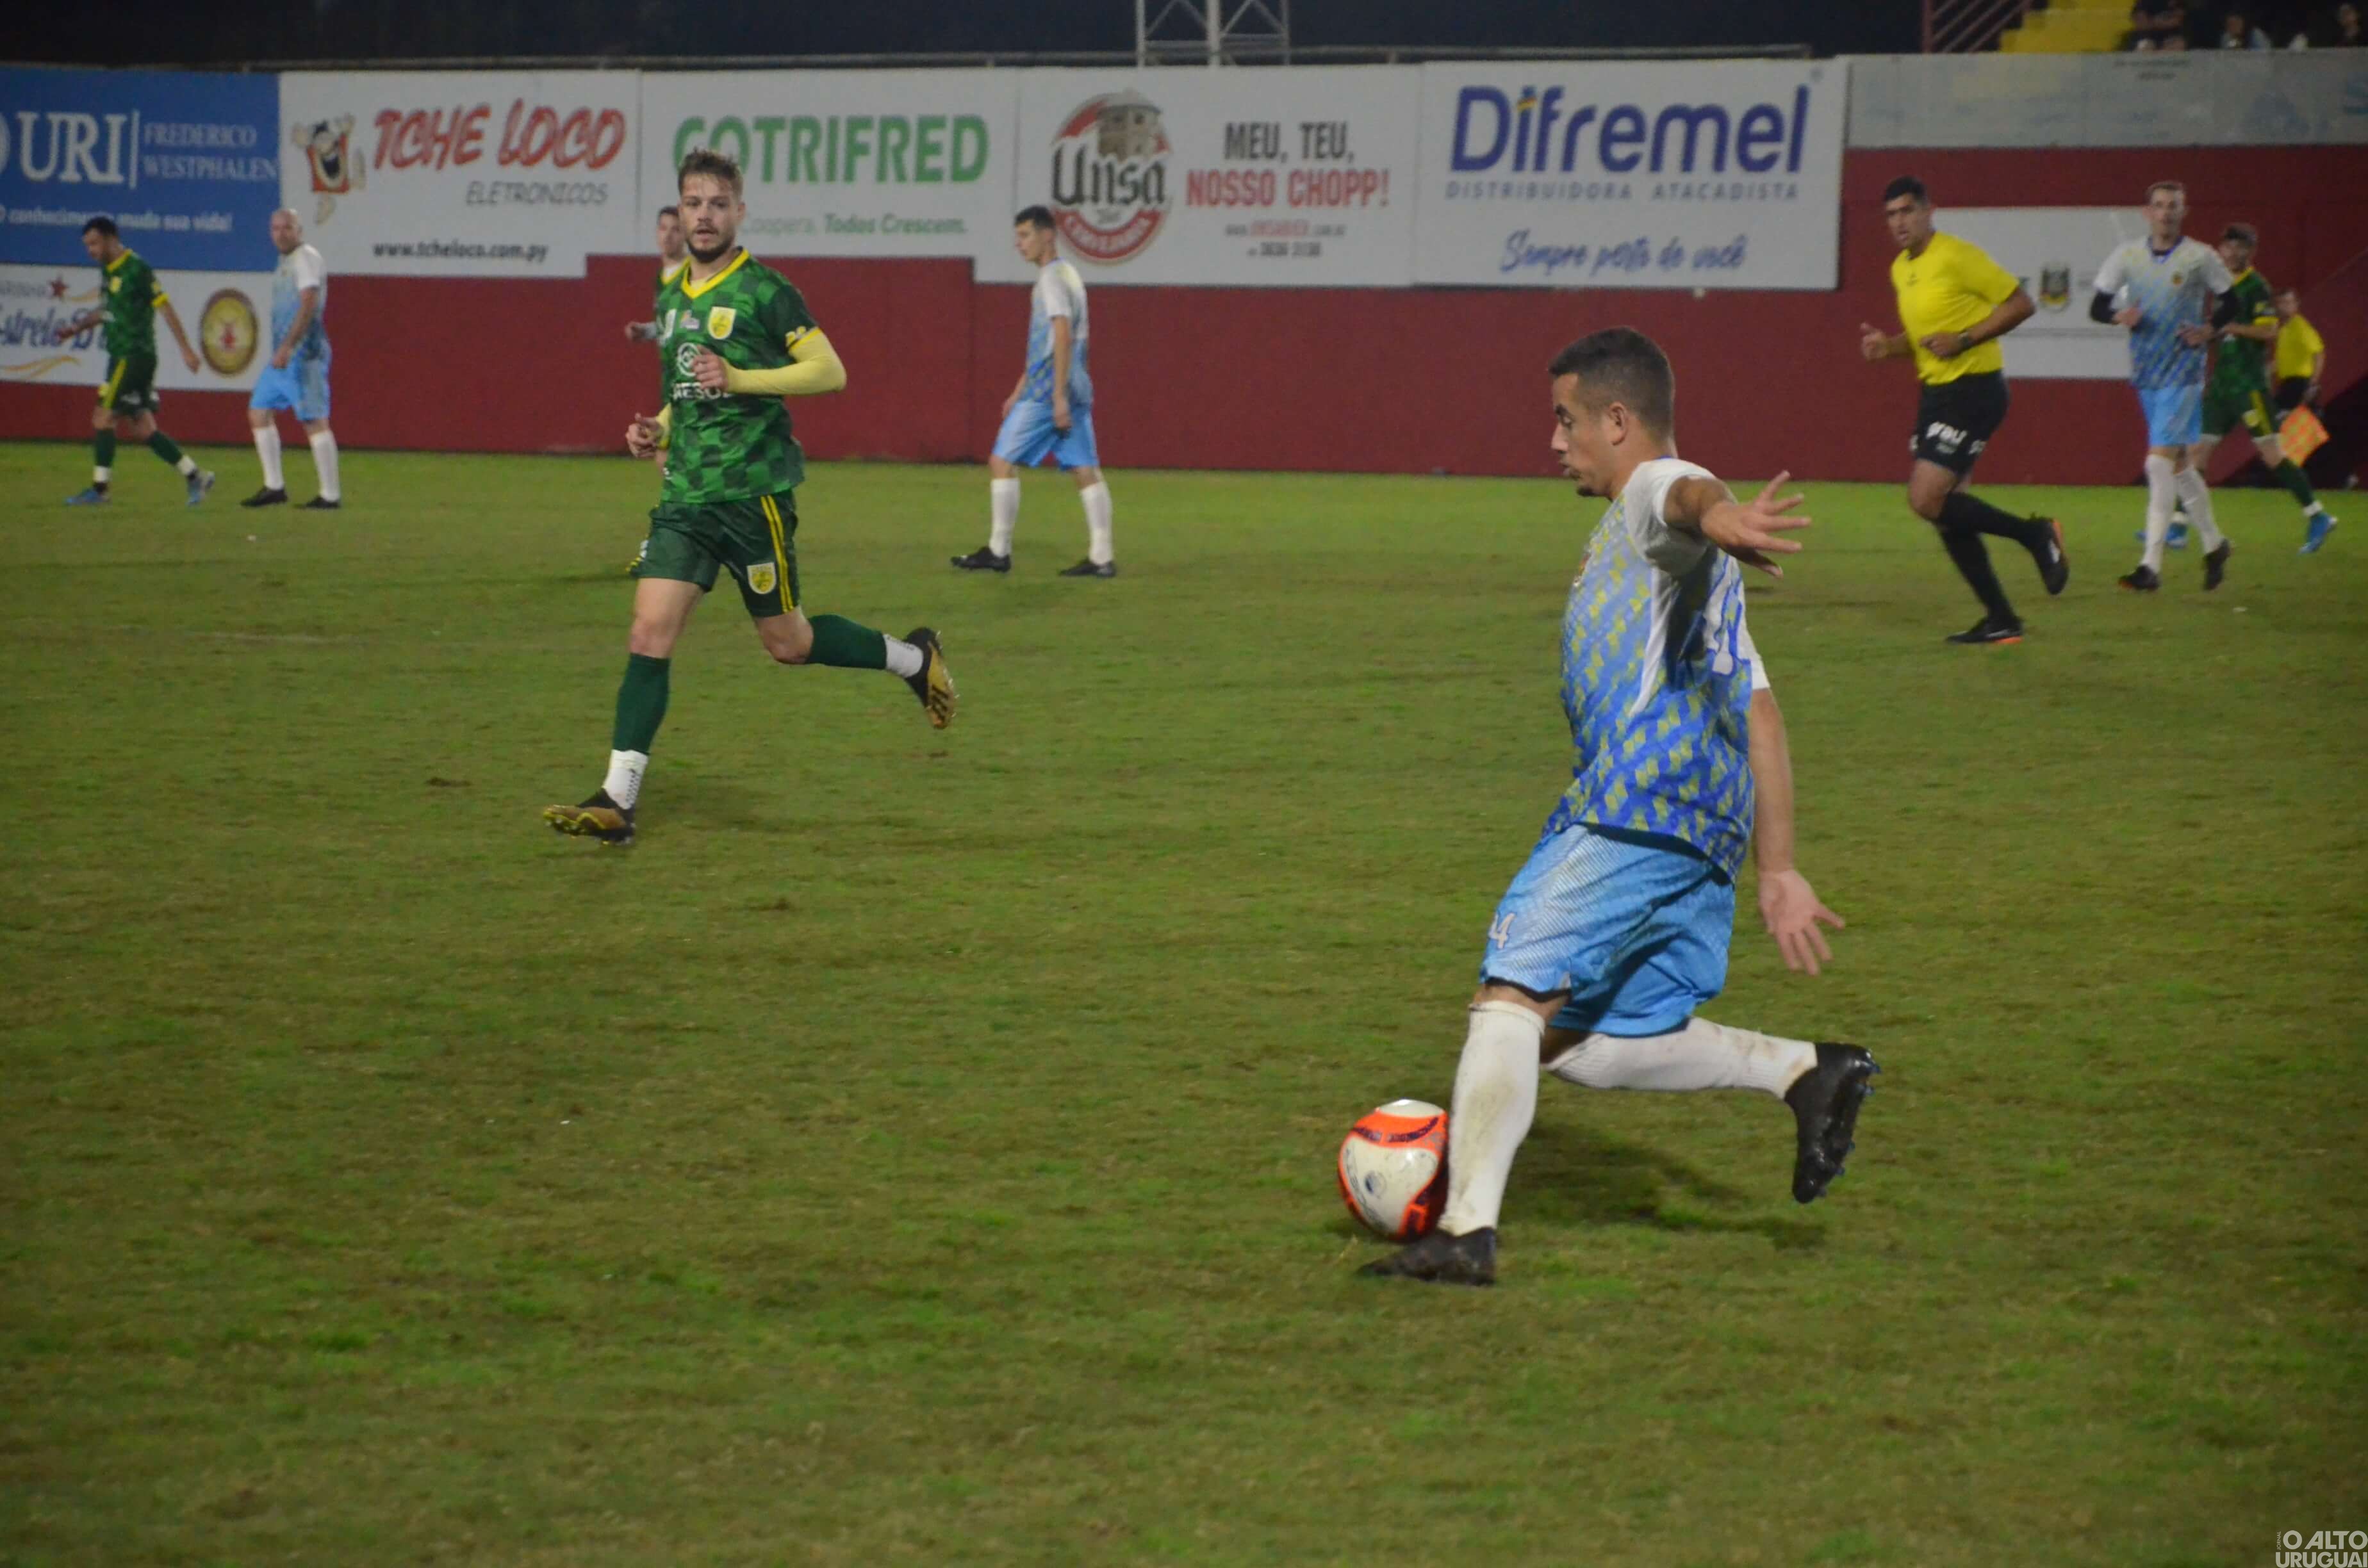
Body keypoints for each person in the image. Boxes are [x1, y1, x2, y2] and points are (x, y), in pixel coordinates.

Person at [1363, 327, 1875, 1288]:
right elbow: (1760, 711)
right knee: (1591, 1043)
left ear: (1616, 420)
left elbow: (1683, 490)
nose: (1556, 443)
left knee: (1511, 994)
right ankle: (1805, 1071)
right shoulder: (1695, 585)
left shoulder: (1654, 503)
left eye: (1565, 422)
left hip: (1634, 812)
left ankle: (1467, 1233)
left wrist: (1720, 516)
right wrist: (1777, 868)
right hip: (1702, 834)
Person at [543, 149, 956, 847]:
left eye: (717, 204)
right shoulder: (674, 295)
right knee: (648, 636)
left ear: (738, 212)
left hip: (752, 497)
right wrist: (657, 429)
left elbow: (830, 372)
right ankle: (618, 800)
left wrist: (740, 380)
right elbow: (684, 391)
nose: (704, 216)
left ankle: (915, 659)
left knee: (788, 644)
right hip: (686, 501)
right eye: (693, 204)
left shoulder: (766, 291)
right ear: (680, 213)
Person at [1860, 176, 2067, 646]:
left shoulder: (1956, 256)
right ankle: (2001, 618)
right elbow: (1923, 342)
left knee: (1924, 499)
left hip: (1973, 389)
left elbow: (2022, 303)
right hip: (1936, 393)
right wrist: (1886, 348)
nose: (1900, 223)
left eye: (1908, 211)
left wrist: (1966, 339)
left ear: (1930, 211)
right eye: (1891, 215)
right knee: (1947, 512)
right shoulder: (1901, 269)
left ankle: (2036, 534)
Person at [951, 206, 1116, 578]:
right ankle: (1102, 557)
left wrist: (1054, 395)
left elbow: (1060, 334)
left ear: (1047, 236)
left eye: (1026, 235)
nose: (1020, 244)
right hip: (1074, 386)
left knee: (1001, 462)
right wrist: (1018, 389)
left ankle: (998, 551)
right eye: (1018, 236)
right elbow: (1048, 342)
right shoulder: (1070, 275)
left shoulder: (1051, 281)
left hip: (1049, 393)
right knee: (1086, 469)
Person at [2093, 181, 2240, 593]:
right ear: (2147, 212)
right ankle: (2215, 544)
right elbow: (2097, 305)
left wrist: (2209, 330)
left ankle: (2150, 567)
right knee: (2179, 467)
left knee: (2157, 464)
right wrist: (2120, 316)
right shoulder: (2128, 256)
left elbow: (2231, 302)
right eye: (2159, 206)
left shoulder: (2200, 257)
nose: (2166, 213)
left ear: (2184, 211)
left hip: (2184, 372)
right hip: (2148, 373)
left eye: (2173, 206)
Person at [2195, 225, 2338, 553]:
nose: (2232, 253)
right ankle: (2176, 528)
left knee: (2272, 453)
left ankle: (2317, 515)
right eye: (2228, 246)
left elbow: (2270, 330)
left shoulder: (2257, 287)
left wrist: (2229, 326)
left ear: (2250, 252)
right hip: (2223, 385)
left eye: (2240, 248)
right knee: (2196, 454)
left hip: (2249, 387)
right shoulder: (2222, 286)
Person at [55, 216, 214, 507]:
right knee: (142, 428)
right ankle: (196, 476)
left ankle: (100, 491)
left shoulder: (137, 269)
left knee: (102, 418)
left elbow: (165, 308)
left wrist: (187, 350)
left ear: (111, 238)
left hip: (134, 356)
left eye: (94, 243)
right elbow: (106, 311)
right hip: (120, 357)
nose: (90, 250)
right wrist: (75, 329)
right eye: (87, 245)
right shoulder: (108, 269)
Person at [242, 209, 340, 510]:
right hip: (285, 356)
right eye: (275, 228)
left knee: (314, 420)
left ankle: (330, 495)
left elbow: (309, 302)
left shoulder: (306, 257)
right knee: (258, 411)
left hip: (303, 354)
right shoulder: (285, 261)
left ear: (300, 230)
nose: (281, 233)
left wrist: (288, 345)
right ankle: (274, 487)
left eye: (288, 228)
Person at [2272, 285, 2338, 551]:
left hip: (2297, 386)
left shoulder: (2300, 326)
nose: (2284, 307)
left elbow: (2319, 353)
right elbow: (2285, 358)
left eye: (2289, 302)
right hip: (2287, 385)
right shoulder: (2284, 328)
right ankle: (2317, 504)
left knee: (2281, 444)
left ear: (2296, 304)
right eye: (2281, 302)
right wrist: (2270, 369)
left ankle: (2321, 502)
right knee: (2279, 442)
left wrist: (2312, 384)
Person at [623, 206, 689, 342]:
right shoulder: (662, 276)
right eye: (663, 228)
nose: (668, 236)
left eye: (676, 230)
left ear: (686, 235)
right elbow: (669, 323)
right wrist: (646, 331)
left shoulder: (696, 272)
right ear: (657, 232)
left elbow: (696, 322)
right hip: (670, 361)